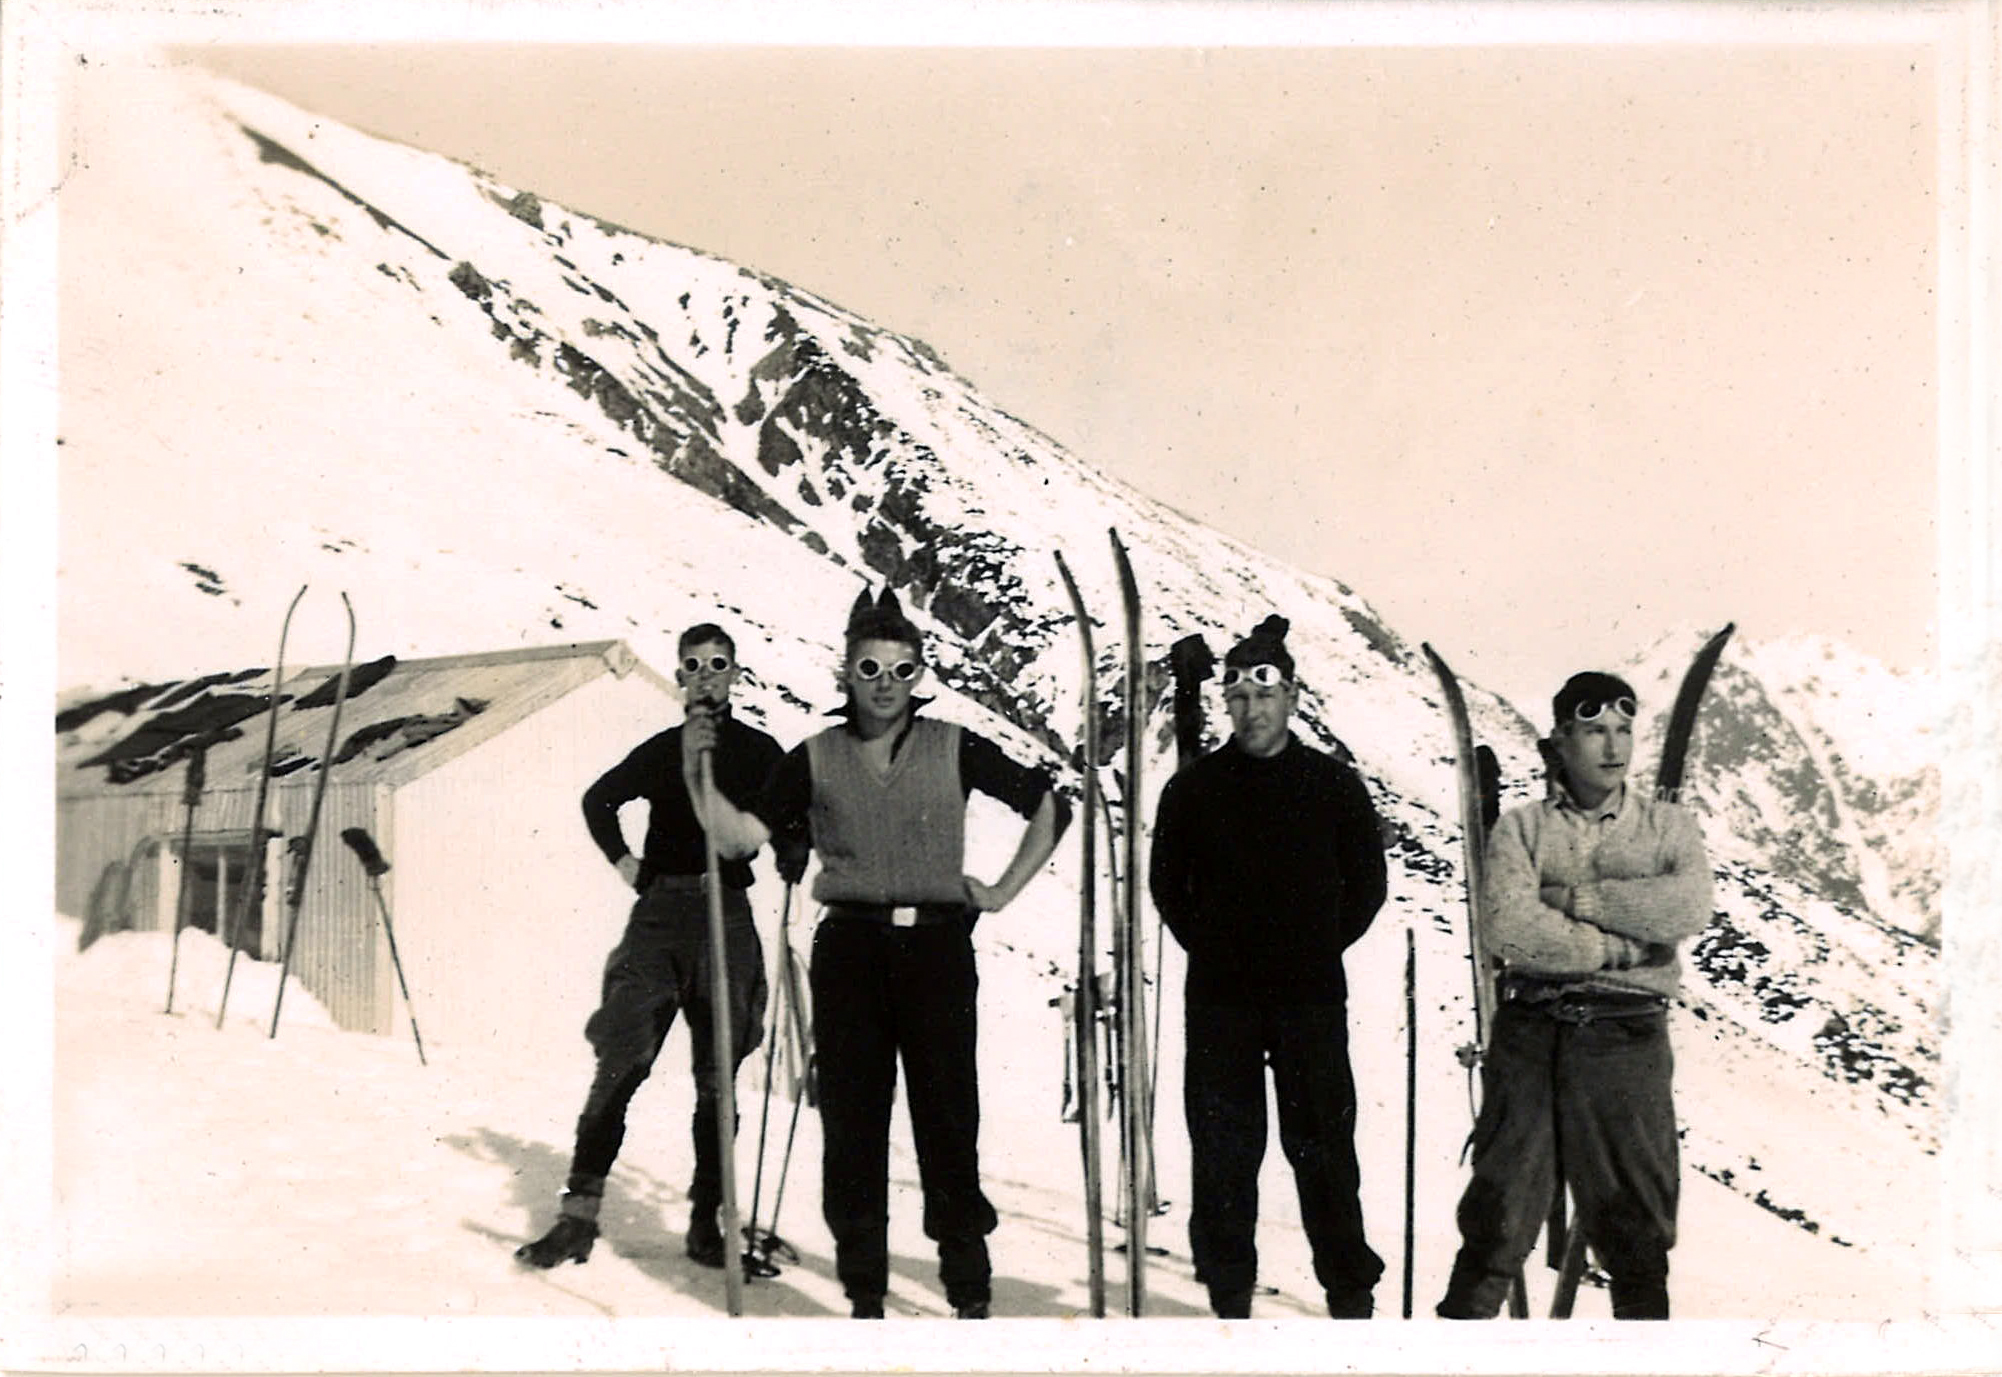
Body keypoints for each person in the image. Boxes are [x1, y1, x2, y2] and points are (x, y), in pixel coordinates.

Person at [688, 586, 1070, 1319]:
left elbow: (1051, 804)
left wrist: (998, 892)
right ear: (846, 673)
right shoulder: (815, 755)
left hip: (936, 948)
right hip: (852, 951)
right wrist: (697, 771)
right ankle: (865, 1294)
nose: (886, 685)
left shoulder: (953, 745)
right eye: (870, 669)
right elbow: (738, 838)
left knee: (948, 1121)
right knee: (854, 1127)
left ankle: (968, 1291)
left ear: (920, 674)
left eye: (902, 670)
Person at [1435, 670, 1713, 1321]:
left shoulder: (1668, 826)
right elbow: (1508, 922)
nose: (1613, 747)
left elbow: (1686, 904)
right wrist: (1612, 945)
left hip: (1627, 1036)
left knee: (1635, 1230)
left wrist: (1576, 901)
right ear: (1561, 740)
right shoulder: (1521, 829)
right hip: (1532, 1030)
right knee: (1498, 1218)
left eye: (1623, 730)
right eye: (1594, 731)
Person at [515, 624, 787, 1272]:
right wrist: (624, 863)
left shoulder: (758, 751)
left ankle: (707, 1224)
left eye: (717, 664)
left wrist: (793, 847)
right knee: (621, 1058)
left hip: (727, 912)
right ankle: (576, 1218)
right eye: (692, 666)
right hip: (659, 914)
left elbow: (783, 820)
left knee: (717, 1079)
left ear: (735, 674)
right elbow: (598, 799)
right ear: (680, 677)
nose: (705, 676)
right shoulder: (662, 749)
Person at [1149, 614, 1389, 1320]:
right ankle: (1229, 1295)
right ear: (1226, 702)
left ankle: (1349, 1292)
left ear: (1292, 696)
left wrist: (1315, 945)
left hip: (1310, 998)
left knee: (1323, 1149)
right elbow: (1169, 885)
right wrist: (1217, 947)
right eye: (1240, 697)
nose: (1253, 710)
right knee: (1224, 1150)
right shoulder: (1194, 789)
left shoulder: (1333, 784)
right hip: (1220, 998)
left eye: (1267, 694)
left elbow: (1367, 885)